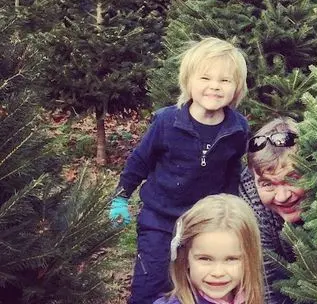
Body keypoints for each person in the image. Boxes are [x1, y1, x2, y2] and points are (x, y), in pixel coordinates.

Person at [109, 37, 251, 304]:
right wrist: (121, 197)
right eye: (205, 78)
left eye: (225, 81)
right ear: (188, 81)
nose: (214, 87)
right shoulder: (167, 122)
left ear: (237, 88)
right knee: (150, 284)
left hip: (203, 225)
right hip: (159, 221)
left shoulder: (237, 128)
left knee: (195, 286)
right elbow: (140, 161)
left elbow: (233, 173)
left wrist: (232, 212)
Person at [238, 117, 305, 304]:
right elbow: (267, 284)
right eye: (267, 184)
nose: (282, 196)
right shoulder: (253, 211)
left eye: (292, 179)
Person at [153, 193, 265, 304]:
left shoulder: (246, 299)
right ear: (185, 258)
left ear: (250, 258)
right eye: (205, 259)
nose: (218, 273)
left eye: (231, 259)